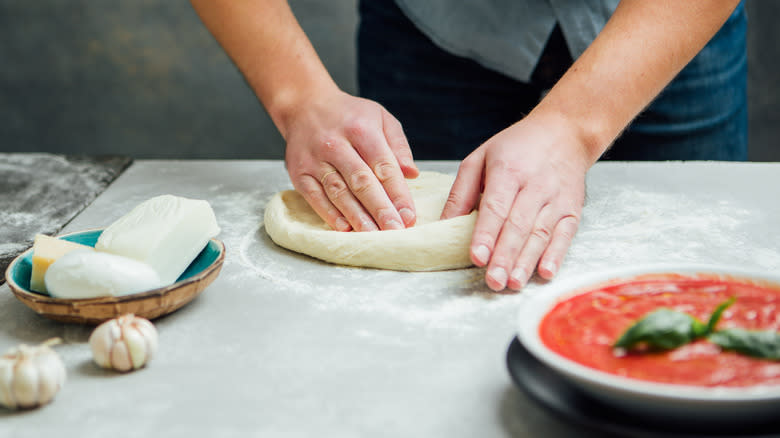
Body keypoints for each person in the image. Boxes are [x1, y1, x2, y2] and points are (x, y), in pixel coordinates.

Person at [189, 0, 746, 291]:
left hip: (661, 24)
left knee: (694, 287)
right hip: (435, 26)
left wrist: (574, 126)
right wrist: (298, 96)